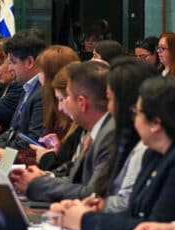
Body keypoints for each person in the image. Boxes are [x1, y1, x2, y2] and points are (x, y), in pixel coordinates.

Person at [61, 76, 175, 230]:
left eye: (137, 112)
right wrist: (89, 211)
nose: (134, 120)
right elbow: (134, 213)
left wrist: (85, 220)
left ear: (155, 123)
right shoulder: (153, 153)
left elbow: (156, 225)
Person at [48, 57, 160, 218]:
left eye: (111, 99)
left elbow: (132, 207)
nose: (108, 107)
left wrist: (90, 212)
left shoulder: (138, 142)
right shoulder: (128, 138)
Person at [10, 61, 114, 202]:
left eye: (66, 98)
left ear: (82, 103)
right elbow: (73, 177)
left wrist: (36, 184)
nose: (60, 107)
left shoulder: (110, 135)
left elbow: (91, 193)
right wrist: (44, 177)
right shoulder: (91, 130)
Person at [0, 45, 79, 164]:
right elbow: (39, 150)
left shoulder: (66, 112)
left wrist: (9, 156)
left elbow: (50, 158)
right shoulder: (53, 106)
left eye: (41, 71)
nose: (38, 76)